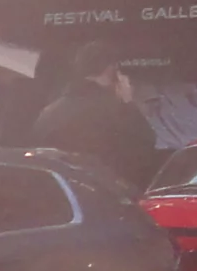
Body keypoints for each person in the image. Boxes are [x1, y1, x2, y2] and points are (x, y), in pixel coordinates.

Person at [30, 41, 161, 192]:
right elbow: (146, 146)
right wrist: (127, 102)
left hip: (61, 197)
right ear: (111, 70)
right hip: (106, 197)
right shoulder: (114, 111)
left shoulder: (50, 110)